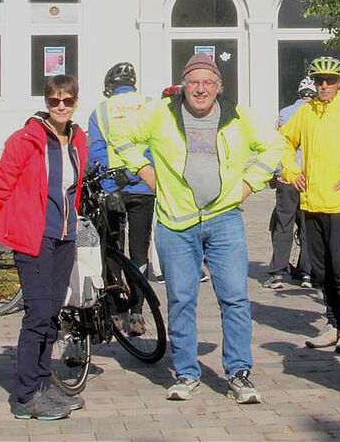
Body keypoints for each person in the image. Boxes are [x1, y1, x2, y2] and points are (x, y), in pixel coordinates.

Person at [112, 53, 282, 404]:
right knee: (181, 300)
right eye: (193, 82)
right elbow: (121, 136)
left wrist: (249, 184)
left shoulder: (238, 115)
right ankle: (187, 373)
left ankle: (239, 373)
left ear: (219, 87)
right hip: (176, 223)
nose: (200, 89)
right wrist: (145, 173)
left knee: (235, 299)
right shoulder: (161, 113)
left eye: (208, 82)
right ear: (183, 85)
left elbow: (274, 145)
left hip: (224, 220)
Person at [0, 74, 88, 422]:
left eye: (67, 100)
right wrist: (21, 220)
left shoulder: (78, 139)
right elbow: (1, 184)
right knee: (37, 314)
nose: (60, 106)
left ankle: (44, 383)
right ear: (46, 103)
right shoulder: (26, 139)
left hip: (63, 236)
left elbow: (72, 188)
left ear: (75, 102)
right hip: (34, 237)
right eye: (54, 100)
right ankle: (26, 394)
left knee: (51, 314)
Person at [278, 56, 340, 354]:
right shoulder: (305, 112)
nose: (324, 86)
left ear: (339, 84)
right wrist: (291, 172)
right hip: (311, 203)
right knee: (320, 269)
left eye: (330, 81)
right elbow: (282, 141)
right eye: (319, 80)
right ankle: (332, 322)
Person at [87, 61, 156, 333]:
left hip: (113, 188)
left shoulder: (101, 111)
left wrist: (108, 184)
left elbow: (97, 153)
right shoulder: (151, 106)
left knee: (113, 248)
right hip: (143, 188)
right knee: (140, 250)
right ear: (134, 85)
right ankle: (137, 313)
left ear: (108, 89)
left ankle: (116, 309)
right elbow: (157, 146)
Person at [264, 77, 315, 290]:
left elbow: (277, 143)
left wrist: (276, 173)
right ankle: (307, 274)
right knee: (308, 227)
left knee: (283, 225)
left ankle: (277, 274)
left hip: (287, 177)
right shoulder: (318, 113)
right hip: (310, 178)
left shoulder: (284, 113)